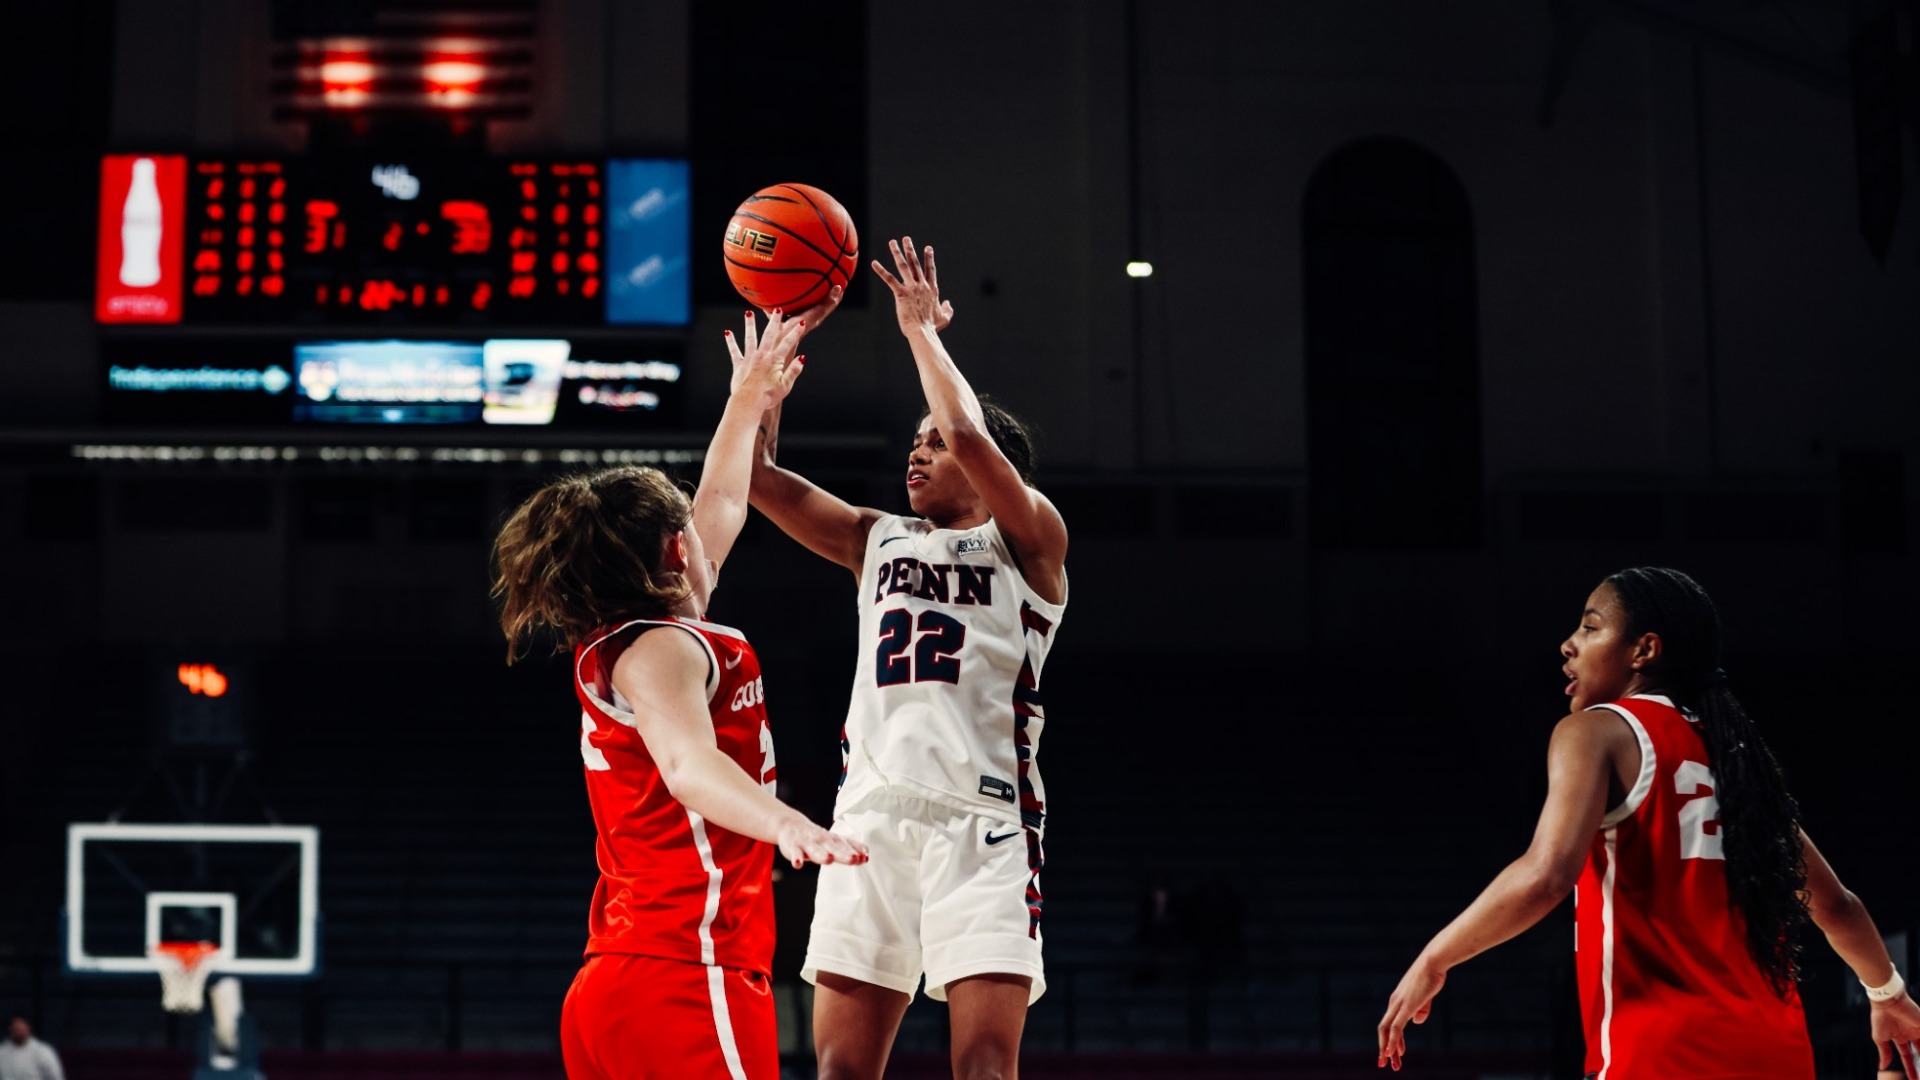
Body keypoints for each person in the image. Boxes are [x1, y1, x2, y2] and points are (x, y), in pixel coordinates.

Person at [491, 307, 869, 1080]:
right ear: (673, 549)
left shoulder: (638, 634)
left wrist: (749, 398)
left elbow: (725, 503)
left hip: (623, 981)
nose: (711, 532)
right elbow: (689, 768)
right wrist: (787, 823)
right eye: (691, 533)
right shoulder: (663, 648)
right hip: (686, 975)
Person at [1376, 567, 1920, 1077]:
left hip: (1659, 1052)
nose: (1569, 643)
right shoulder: (1738, 761)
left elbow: (1546, 875)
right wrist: (1887, 993)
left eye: (1590, 627)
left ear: (1644, 649)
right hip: (1779, 1053)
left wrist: (1434, 958)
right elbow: (1836, 905)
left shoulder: (1597, 730)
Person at [748, 237, 1069, 1080]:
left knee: (985, 1069)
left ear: (993, 471)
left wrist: (923, 332)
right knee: (842, 1071)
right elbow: (753, 475)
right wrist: (763, 387)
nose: (919, 451)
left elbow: (966, 426)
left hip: (988, 823)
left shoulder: (1031, 544)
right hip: (872, 816)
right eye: (914, 442)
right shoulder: (875, 537)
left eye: (934, 442)